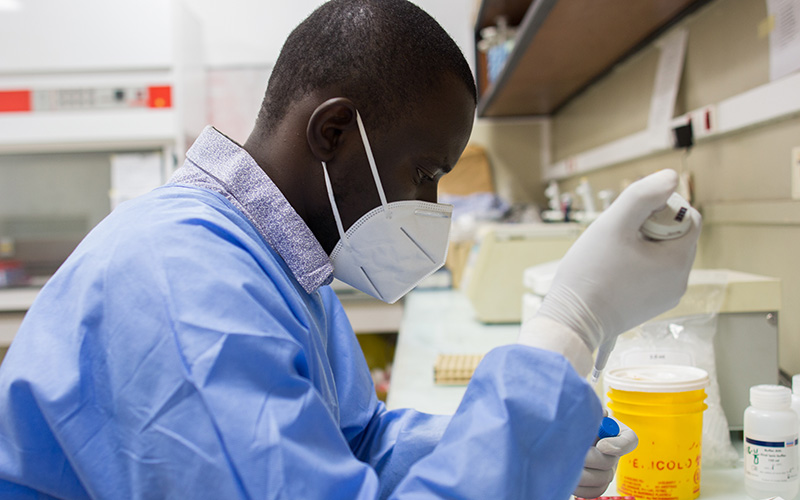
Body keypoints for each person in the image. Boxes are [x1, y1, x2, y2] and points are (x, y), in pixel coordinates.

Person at [0, 1, 701, 498]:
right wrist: (569, 328)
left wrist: (537, 443)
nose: (428, 208)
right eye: (424, 172)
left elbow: (355, 446)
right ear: (333, 131)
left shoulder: (281, 264)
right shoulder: (184, 285)